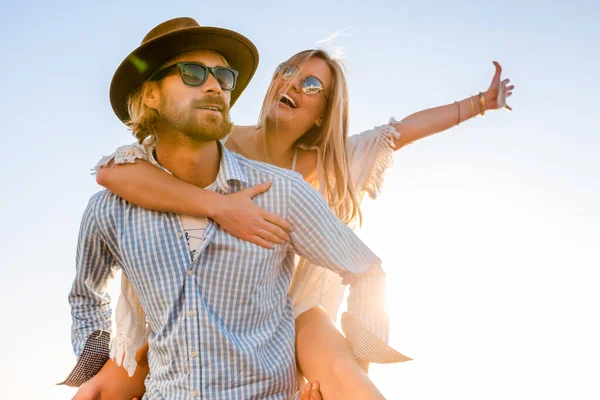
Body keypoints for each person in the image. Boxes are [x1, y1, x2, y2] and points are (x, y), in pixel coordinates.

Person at [84, 45, 514, 400]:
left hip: (296, 305)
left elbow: (402, 132)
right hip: (213, 306)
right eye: (288, 71)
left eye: (311, 85)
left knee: (346, 377)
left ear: (323, 113)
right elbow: (113, 173)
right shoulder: (216, 140)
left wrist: (478, 104)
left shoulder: (326, 163)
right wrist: (218, 206)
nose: (293, 82)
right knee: (104, 387)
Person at [61, 17, 401, 400]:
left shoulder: (281, 193)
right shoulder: (111, 210)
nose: (213, 84)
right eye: (192, 73)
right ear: (151, 95)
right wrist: (98, 364)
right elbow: (85, 295)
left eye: (223, 76)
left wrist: (357, 369)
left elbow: (367, 269)